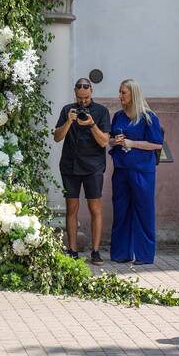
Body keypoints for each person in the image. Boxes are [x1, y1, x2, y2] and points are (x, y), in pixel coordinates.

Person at [52, 77, 111, 263]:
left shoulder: (101, 111)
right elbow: (57, 138)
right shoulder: (67, 110)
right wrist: (69, 122)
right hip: (70, 165)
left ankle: (95, 251)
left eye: (86, 98)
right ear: (75, 94)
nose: (83, 101)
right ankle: (72, 250)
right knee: (72, 207)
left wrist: (92, 124)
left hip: (93, 166)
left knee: (95, 208)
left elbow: (104, 141)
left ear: (91, 92)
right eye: (80, 98)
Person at [109, 78, 164, 265]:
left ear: (133, 94)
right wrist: (115, 141)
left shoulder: (148, 117)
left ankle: (144, 255)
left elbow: (157, 143)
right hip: (122, 170)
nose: (120, 96)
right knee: (121, 211)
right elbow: (109, 139)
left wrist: (132, 143)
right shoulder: (118, 116)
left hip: (142, 172)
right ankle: (121, 254)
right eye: (120, 92)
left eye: (123, 92)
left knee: (143, 211)